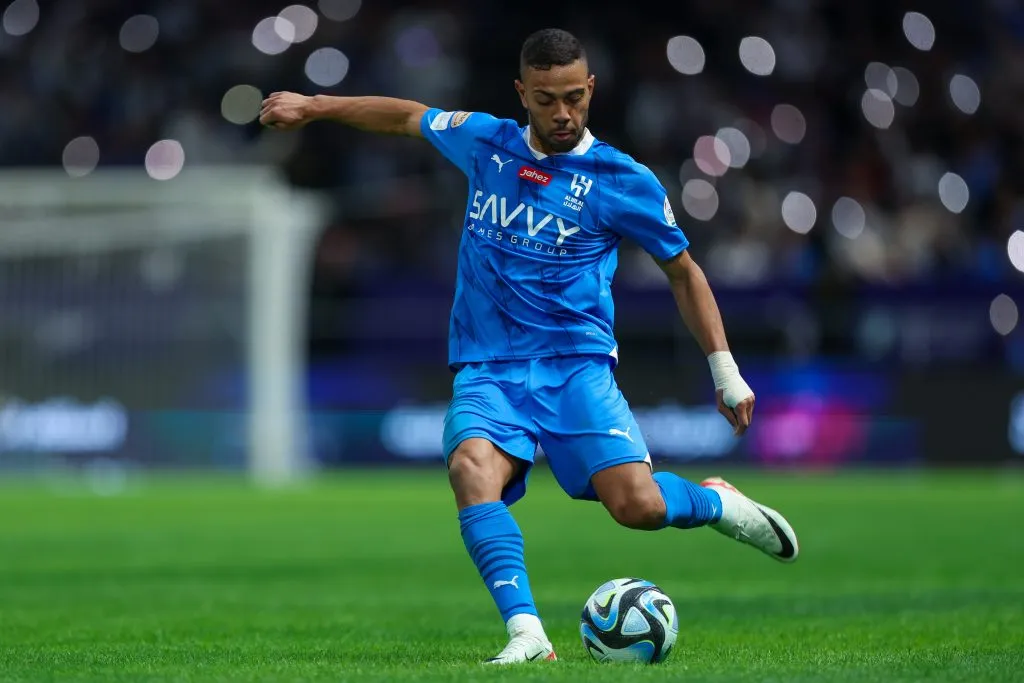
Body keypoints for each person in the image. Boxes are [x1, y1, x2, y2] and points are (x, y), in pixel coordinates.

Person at [261, 27, 799, 665]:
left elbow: (684, 272)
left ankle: (715, 503)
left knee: (638, 508)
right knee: (471, 469)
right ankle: (527, 632)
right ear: (522, 92)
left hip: (577, 371)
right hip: (488, 368)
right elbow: (407, 117)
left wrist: (725, 372)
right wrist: (315, 106)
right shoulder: (483, 141)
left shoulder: (622, 180)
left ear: (591, 89)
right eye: (546, 99)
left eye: (575, 96)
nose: (563, 112)